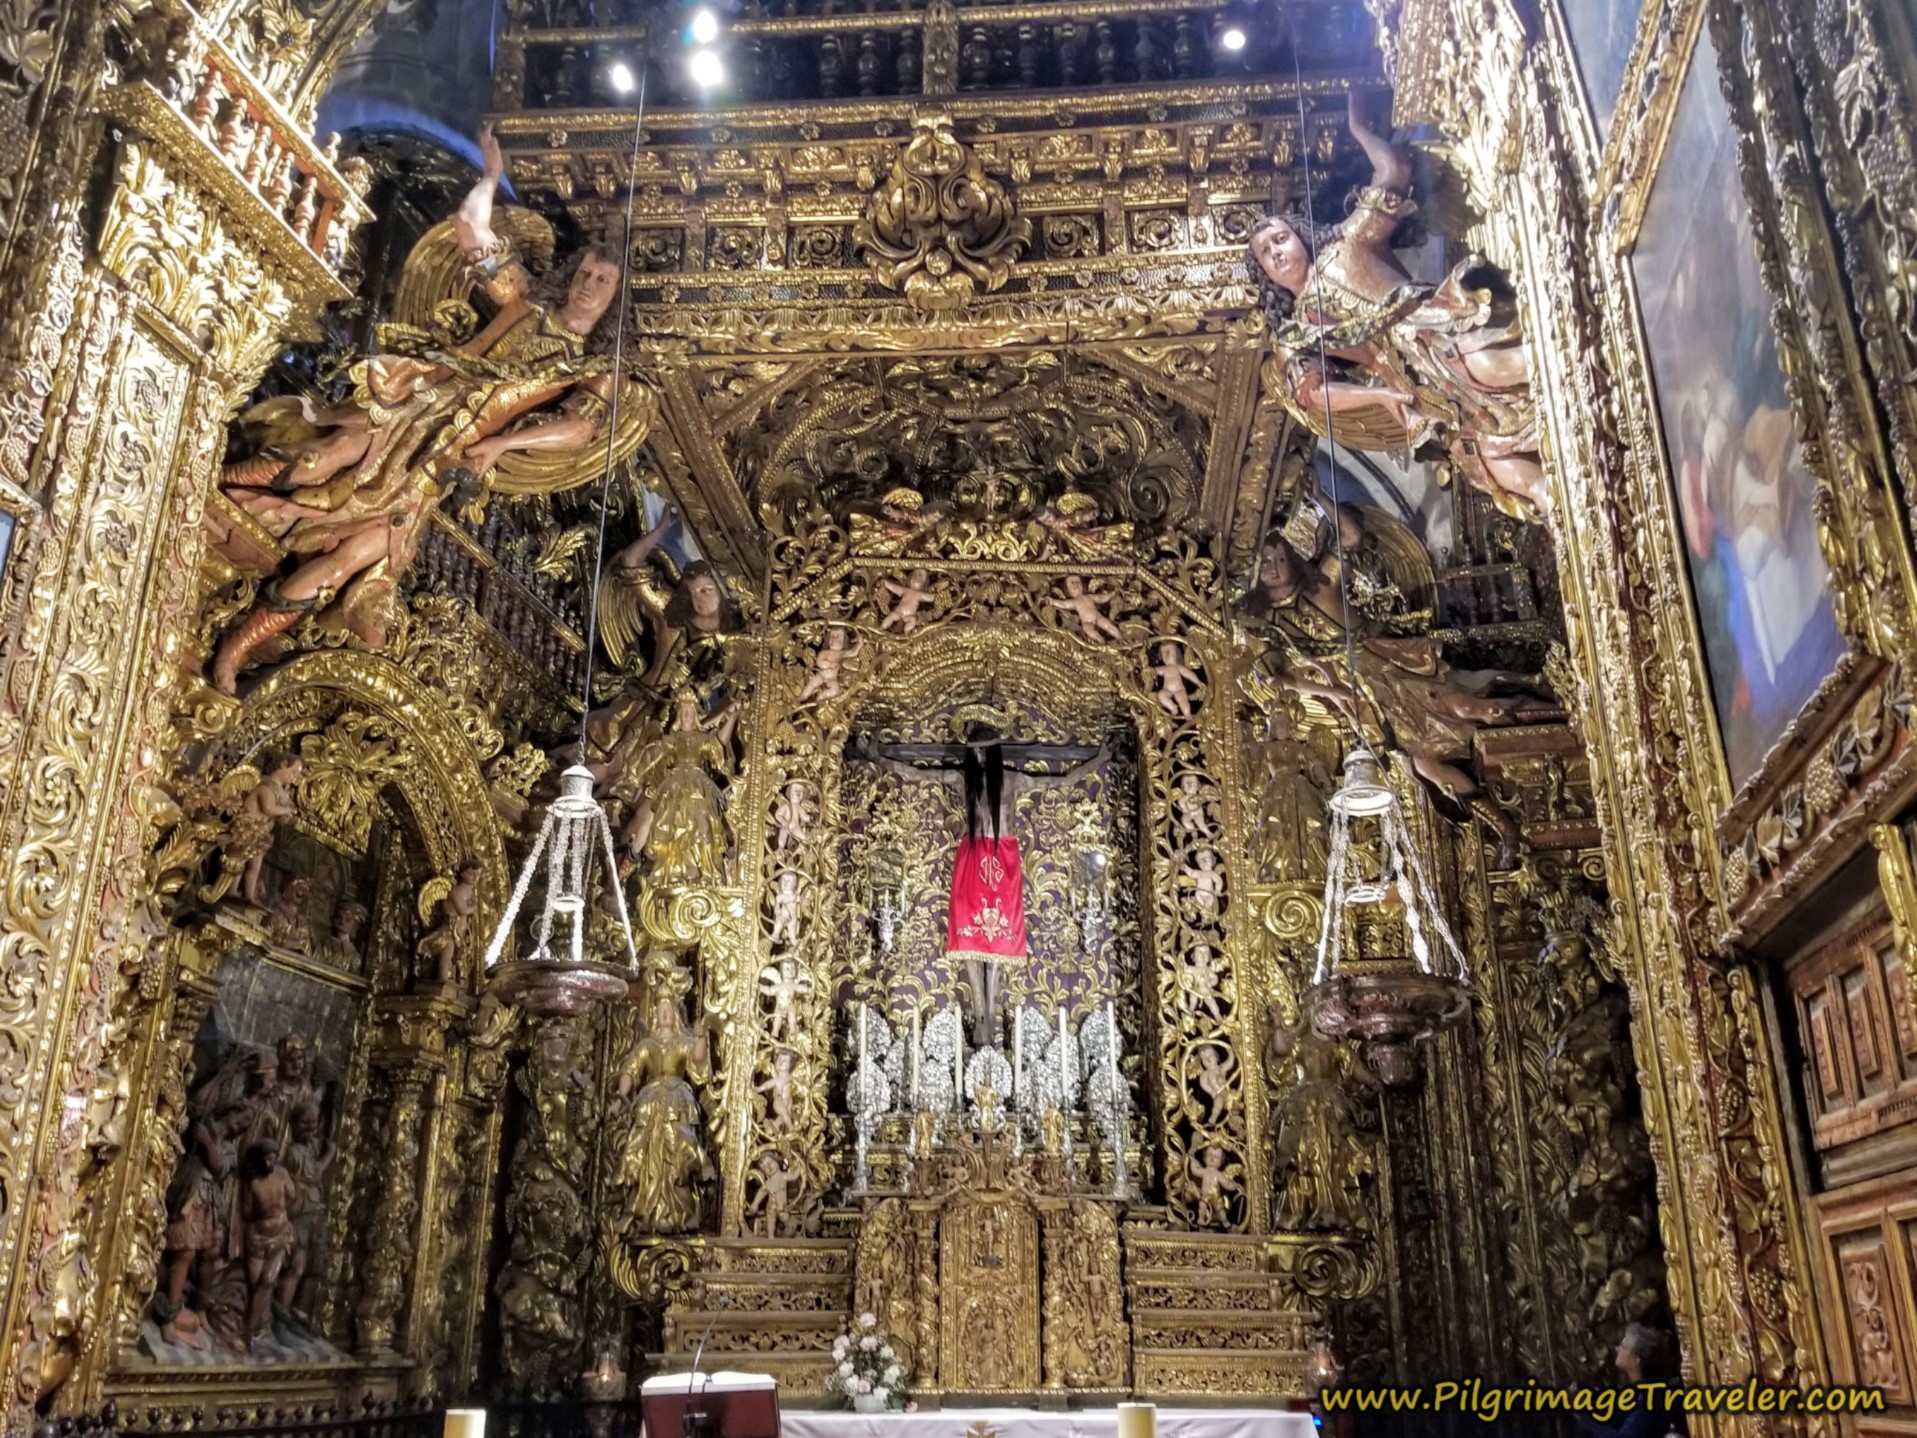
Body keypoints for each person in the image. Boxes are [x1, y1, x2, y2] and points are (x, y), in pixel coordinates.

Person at [863, 727, 1106, 1044]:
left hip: (1002, 861)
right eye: (973, 751)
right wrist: (875, 756)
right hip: (973, 861)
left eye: (982, 750)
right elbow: (915, 774)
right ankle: (980, 1015)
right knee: (969, 937)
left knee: (999, 941)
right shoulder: (963, 780)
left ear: (992, 752)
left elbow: (1061, 782)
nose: (977, 756)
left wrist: (1099, 759)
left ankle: (992, 1013)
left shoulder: (1011, 780)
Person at [1575, 1324, 1677, 1438]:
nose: (1617, 1348)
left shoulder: (1652, 1395)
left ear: (1635, 1360)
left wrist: (1587, 1423)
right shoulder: (1635, 1391)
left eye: (1623, 1346)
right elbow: (1614, 1418)